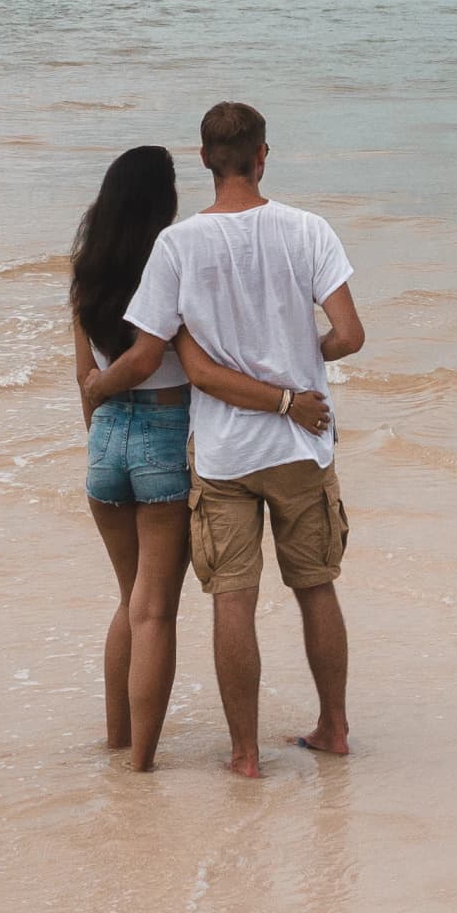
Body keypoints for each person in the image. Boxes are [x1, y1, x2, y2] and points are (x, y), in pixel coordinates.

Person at [122, 99, 366, 777]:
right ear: (263, 156)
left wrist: (97, 387)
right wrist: (303, 359)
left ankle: (245, 754)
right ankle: (334, 728)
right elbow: (349, 334)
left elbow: (159, 353)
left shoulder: (177, 245)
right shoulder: (308, 230)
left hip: (226, 452)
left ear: (203, 160)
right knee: (316, 586)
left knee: (233, 598)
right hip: (301, 446)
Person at [66, 144, 310, 769]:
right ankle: (140, 763)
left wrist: (100, 408)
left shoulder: (85, 271)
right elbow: (167, 360)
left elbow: (83, 380)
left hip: (105, 440)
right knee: (155, 608)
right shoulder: (169, 258)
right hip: (161, 433)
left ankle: (117, 740)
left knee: (128, 600)